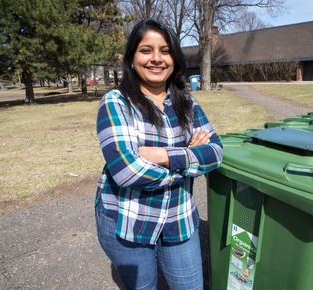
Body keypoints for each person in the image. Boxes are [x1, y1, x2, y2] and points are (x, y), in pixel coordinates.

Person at [94, 19, 223, 290]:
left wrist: (161, 155)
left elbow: (215, 152)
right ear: (131, 59)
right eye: (146, 50)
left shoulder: (187, 103)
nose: (156, 58)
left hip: (179, 218)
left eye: (165, 51)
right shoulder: (116, 102)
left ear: (174, 58)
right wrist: (188, 156)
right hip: (129, 220)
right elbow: (127, 171)